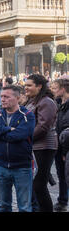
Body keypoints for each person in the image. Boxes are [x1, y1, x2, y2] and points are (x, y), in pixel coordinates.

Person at [0, 85, 36, 212]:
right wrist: (6, 129)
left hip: (22, 166)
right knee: (3, 206)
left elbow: (18, 136)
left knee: (24, 206)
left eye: (7, 96)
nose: (3, 99)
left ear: (17, 98)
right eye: (1, 96)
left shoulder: (27, 115)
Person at [24, 74, 58, 212]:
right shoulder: (32, 101)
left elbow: (43, 126)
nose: (26, 88)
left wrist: (25, 138)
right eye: (25, 85)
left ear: (39, 86)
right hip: (33, 146)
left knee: (39, 185)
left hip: (44, 147)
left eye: (29, 85)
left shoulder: (46, 102)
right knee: (35, 185)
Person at [51, 78, 69, 211]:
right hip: (58, 146)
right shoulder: (57, 104)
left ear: (63, 89)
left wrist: (64, 151)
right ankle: (62, 200)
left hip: (66, 147)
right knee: (61, 175)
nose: (53, 90)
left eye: (55, 88)